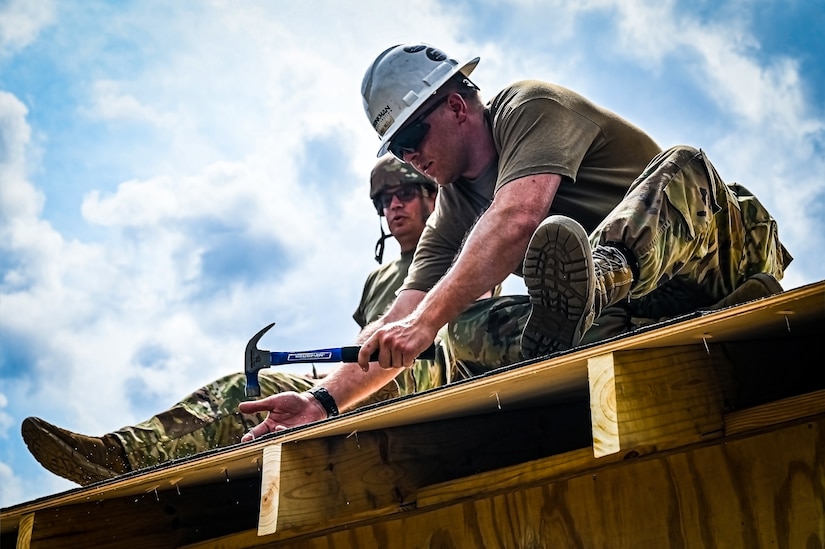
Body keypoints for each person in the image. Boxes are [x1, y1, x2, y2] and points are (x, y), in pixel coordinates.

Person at [239, 42, 791, 438]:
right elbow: (401, 322)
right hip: (640, 314)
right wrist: (322, 401)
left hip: (713, 255)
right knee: (462, 328)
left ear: (457, 105)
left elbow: (519, 216)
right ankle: (603, 330)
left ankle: (600, 283)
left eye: (411, 136)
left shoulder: (529, 107)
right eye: (395, 148)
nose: (407, 157)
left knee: (685, 165)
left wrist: (425, 320)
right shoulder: (452, 204)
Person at [21, 156, 444, 486]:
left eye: (404, 193)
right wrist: (332, 382)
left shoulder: (455, 245)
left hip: (425, 376)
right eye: (383, 200)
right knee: (250, 402)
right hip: (369, 379)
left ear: (432, 195)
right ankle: (132, 462)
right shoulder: (378, 279)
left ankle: (125, 459)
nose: (393, 206)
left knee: (237, 402)